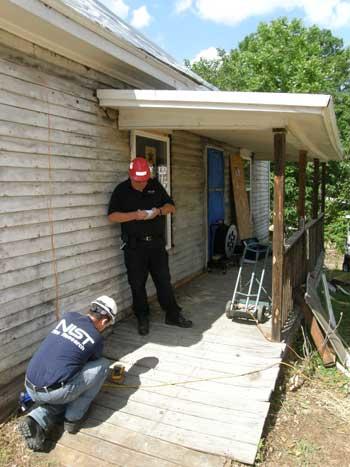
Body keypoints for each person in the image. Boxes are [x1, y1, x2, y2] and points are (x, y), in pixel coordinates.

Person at [17, 295, 117, 451]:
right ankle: (73, 418)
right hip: (52, 393)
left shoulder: (69, 316)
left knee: (62, 392)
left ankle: (35, 419)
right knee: (103, 366)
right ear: (104, 321)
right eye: (107, 325)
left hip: (29, 384)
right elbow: (92, 364)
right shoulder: (96, 338)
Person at [108, 157, 192, 336]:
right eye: (138, 181)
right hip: (134, 247)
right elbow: (112, 216)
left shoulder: (155, 185)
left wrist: (159, 211)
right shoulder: (121, 190)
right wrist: (134, 216)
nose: (142, 183)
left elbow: (171, 207)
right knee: (137, 284)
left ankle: (173, 315)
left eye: (144, 179)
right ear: (130, 176)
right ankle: (142, 318)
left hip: (156, 245)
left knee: (163, 281)